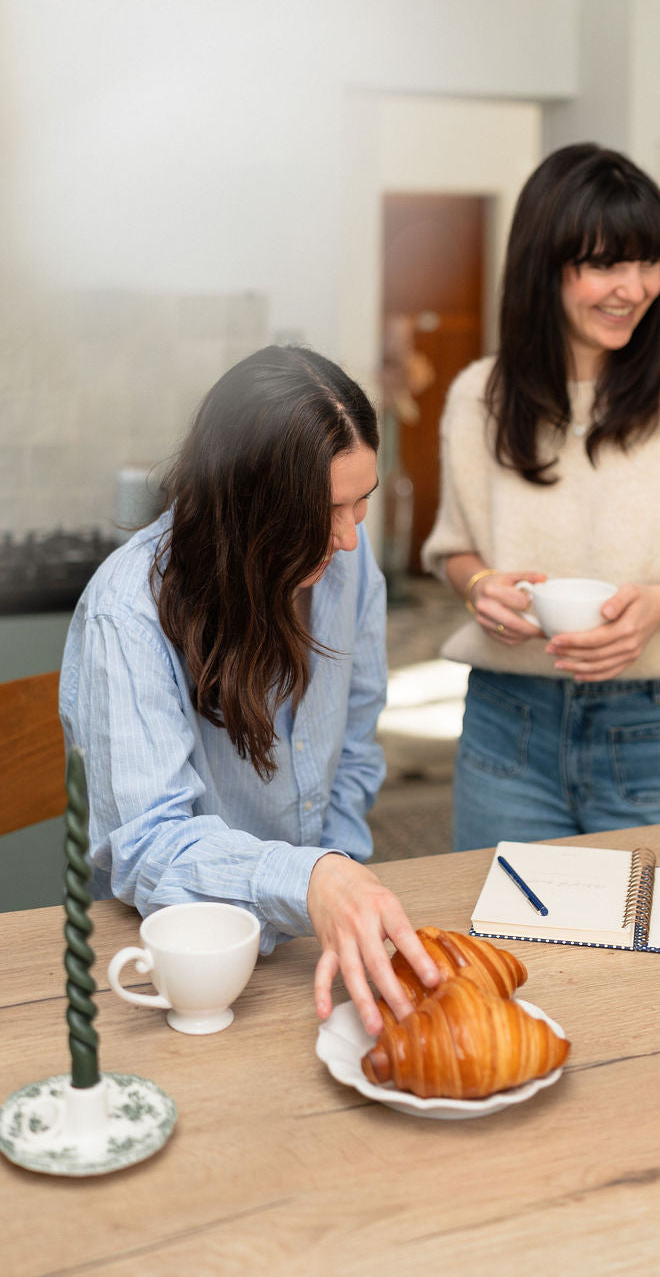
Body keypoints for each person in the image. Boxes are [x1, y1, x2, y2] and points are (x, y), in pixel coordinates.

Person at [421, 143, 660, 851]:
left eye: (650, 261)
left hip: (658, 730)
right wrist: (480, 586)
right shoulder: (479, 395)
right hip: (508, 727)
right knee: (511, 950)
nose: (633, 287)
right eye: (604, 264)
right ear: (544, 266)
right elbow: (456, 550)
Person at [60, 345, 439, 1035]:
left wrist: (337, 875)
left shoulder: (347, 573)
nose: (350, 540)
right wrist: (310, 880)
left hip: (302, 945)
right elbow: (150, 845)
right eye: (327, 511)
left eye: (363, 504)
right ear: (250, 509)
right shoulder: (128, 611)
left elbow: (355, 741)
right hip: (166, 961)